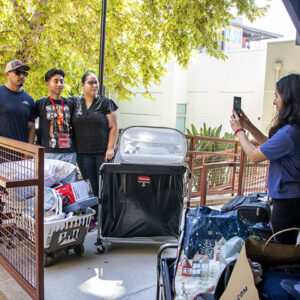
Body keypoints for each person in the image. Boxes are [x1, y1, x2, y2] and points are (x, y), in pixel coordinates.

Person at [230, 73, 300, 244]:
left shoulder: (289, 133)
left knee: (280, 248)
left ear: (289, 98)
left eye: (277, 96)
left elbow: (254, 156)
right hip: (293, 199)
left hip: (288, 202)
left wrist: (239, 132)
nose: (275, 102)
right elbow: (269, 146)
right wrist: (248, 125)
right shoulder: (293, 130)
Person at [71, 73, 118, 231]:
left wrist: (110, 147)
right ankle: (94, 217)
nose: (94, 86)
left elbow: (114, 127)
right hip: (82, 153)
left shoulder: (106, 103)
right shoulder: (75, 103)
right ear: (83, 85)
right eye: (90, 83)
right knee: (90, 186)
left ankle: (107, 219)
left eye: (96, 83)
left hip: (102, 153)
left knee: (104, 186)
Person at [35, 68, 77, 183]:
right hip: (49, 152)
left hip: (69, 152)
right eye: (56, 81)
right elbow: (32, 125)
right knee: (48, 185)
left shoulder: (70, 103)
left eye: (62, 81)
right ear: (48, 84)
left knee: (70, 186)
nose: (60, 84)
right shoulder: (41, 103)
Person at [0, 60, 35, 143]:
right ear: (7, 74)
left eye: (25, 73)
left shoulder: (29, 100)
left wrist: (28, 151)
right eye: (18, 72)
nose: (22, 76)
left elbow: (31, 127)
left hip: (21, 152)